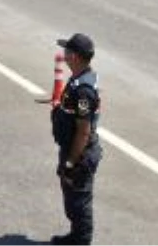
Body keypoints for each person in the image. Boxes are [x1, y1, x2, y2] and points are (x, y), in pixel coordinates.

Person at [51, 34, 102, 246]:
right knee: (72, 200)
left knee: (79, 202)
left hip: (79, 153)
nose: (64, 55)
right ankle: (75, 237)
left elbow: (83, 131)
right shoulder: (79, 80)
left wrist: (71, 163)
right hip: (71, 147)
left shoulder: (83, 91)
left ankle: (81, 241)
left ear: (76, 57)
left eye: (68, 52)